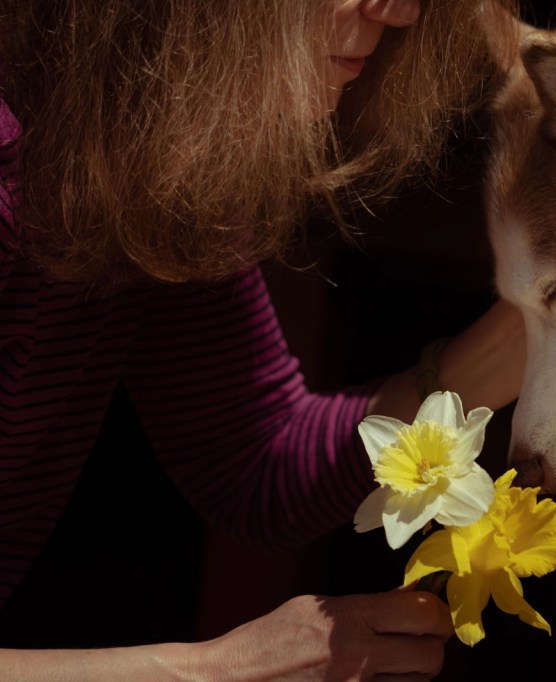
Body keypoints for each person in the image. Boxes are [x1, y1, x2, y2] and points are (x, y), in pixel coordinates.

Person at [0, 0, 524, 679]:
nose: (397, 10)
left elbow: (258, 462)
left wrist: (545, 320)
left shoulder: (152, 164)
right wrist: (211, 670)